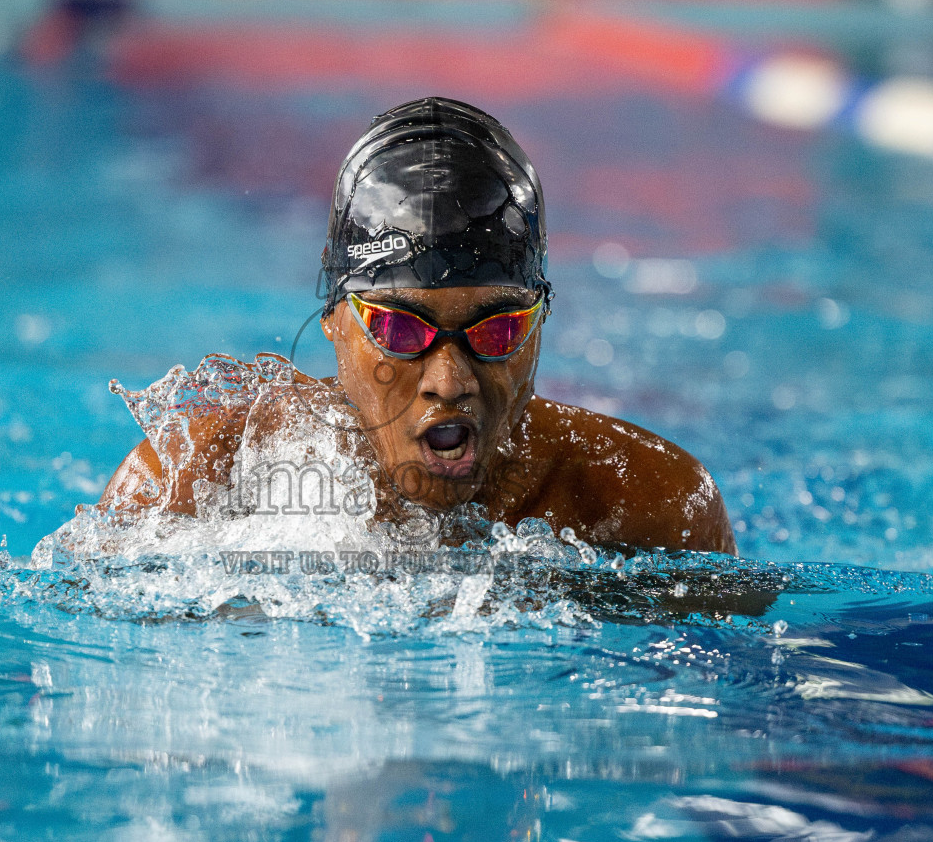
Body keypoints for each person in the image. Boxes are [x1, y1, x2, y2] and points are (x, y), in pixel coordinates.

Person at [99, 97, 736, 555]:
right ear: (333, 318)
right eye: (402, 330)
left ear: (540, 323)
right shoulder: (193, 484)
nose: (449, 379)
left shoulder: (650, 503)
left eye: (496, 332)